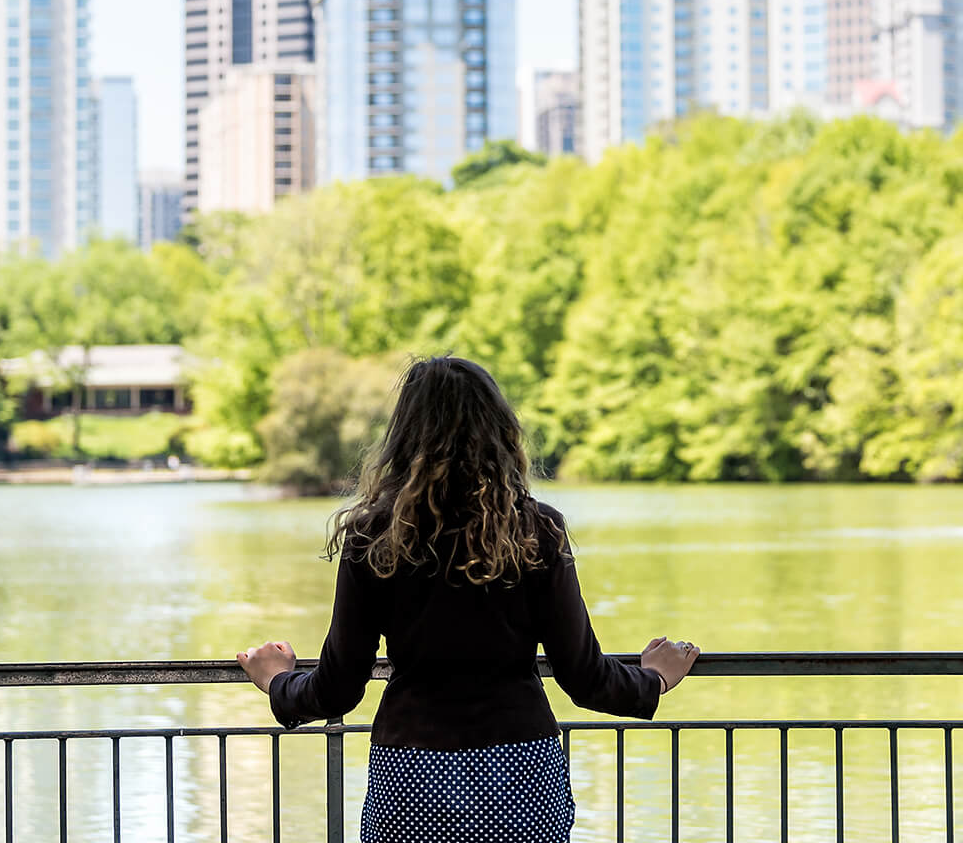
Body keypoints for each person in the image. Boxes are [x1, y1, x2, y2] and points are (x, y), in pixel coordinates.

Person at [236, 355, 701, 843]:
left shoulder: (374, 535)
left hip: (413, 782)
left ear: (403, 435)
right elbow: (584, 677)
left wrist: (278, 683)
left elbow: (338, 688)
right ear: (500, 432)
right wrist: (654, 679)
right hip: (519, 780)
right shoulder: (537, 529)